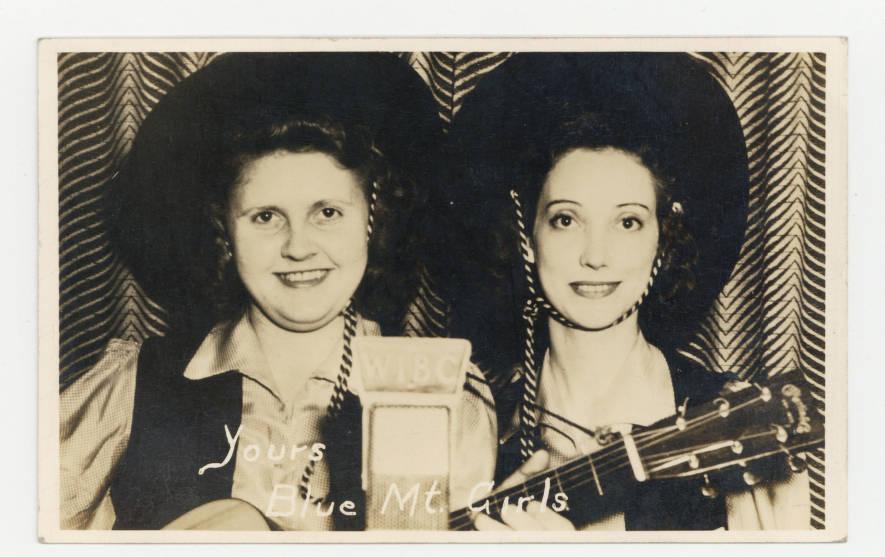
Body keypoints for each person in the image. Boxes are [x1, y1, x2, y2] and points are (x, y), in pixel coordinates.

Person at [59, 53, 496, 531]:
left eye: (327, 213)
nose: (299, 247)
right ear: (225, 231)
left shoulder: (441, 395)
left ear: (373, 221)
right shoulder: (133, 384)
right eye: (266, 217)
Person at [445, 53, 811, 530]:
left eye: (628, 222)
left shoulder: (740, 421)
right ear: (527, 239)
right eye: (565, 219)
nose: (596, 256)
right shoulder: (468, 426)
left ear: (663, 241)